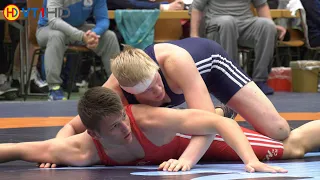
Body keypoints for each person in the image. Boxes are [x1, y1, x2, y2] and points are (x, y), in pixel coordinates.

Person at [46, 37, 290, 168]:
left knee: (278, 131)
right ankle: (219, 109)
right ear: (127, 91)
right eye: (149, 93)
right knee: (198, 117)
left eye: (157, 83)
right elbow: (74, 126)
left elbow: (209, 126)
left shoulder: (175, 63)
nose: (160, 95)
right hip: (188, 84)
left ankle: (221, 109)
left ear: (157, 70)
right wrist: (56, 150)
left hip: (211, 66)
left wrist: (186, 160)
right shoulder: (114, 89)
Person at [4, 87, 319, 172]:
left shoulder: (148, 119)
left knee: (292, 148)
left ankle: (222, 105)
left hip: (196, 141)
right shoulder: (82, 150)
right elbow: (16, 150)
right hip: (178, 148)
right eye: (114, 127)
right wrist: (54, 152)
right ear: (95, 135)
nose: (125, 127)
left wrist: (250, 160)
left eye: (123, 118)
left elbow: (218, 126)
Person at [190, 0, 287, 95]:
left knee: (267, 25)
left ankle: (260, 80)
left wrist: (272, 24)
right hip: (218, 24)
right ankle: (229, 80)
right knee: (228, 22)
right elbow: (196, 8)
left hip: (245, 22)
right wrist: (194, 35)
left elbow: (261, 5)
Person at [36, 0, 120, 100]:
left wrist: (94, 34)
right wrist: (81, 36)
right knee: (57, 36)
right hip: (48, 29)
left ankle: (118, 85)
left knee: (109, 37)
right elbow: (54, 21)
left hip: (79, 29)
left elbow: (103, 19)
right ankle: (54, 88)